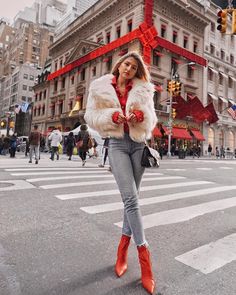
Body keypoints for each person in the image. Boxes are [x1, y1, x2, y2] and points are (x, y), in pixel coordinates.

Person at [85, 51, 157, 294]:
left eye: (134, 68)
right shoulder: (99, 86)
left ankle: (122, 251)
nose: (129, 69)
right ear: (120, 64)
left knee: (132, 200)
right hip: (116, 144)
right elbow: (90, 116)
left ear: (138, 72)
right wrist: (111, 116)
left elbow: (152, 119)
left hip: (138, 145)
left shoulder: (144, 89)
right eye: (127, 64)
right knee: (130, 199)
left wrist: (141, 116)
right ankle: (145, 262)